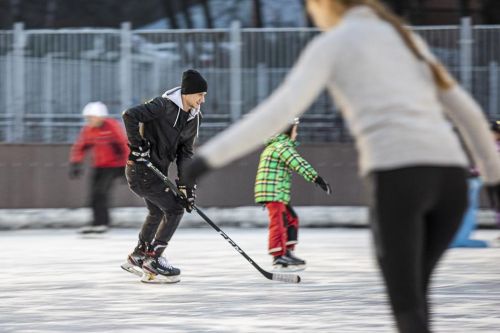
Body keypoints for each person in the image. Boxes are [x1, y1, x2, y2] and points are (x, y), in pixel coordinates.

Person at [182, 1, 500, 332]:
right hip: (451, 183)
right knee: (417, 296)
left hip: (399, 177)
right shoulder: (404, 39)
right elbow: (467, 114)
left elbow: (276, 113)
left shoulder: (334, 44)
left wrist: (207, 159)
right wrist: (494, 179)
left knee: (407, 305)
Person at [120, 69, 207, 284]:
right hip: (141, 170)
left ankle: (139, 255)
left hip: (157, 173)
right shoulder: (162, 106)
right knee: (174, 209)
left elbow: (185, 154)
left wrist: (187, 186)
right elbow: (130, 115)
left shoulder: (194, 118)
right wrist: (137, 146)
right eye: (200, 95)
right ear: (187, 93)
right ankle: (153, 259)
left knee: (158, 211)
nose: (202, 100)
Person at [255, 118, 331, 270]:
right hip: (272, 193)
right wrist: (317, 179)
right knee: (279, 222)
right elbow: (297, 162)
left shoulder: (276, 145)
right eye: (295, 130)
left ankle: (287, 252)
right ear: (287, 130)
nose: (296, 133)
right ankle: (278, 256)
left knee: (291, 219)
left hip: (277, 193)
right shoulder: (281, 146)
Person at [69, 101, 129, 234]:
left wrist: (127, 167)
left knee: (101, 193)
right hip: (99, 165)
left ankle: (102, 223)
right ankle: (96, 222)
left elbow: (124, 146)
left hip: (114, 166)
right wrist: (75, 163)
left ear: (101, 116)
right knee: (93, 195)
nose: (89, 121)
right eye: (87, 118)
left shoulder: (112, 126)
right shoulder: (89, 130)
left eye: (91, 118)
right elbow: (80, 146)